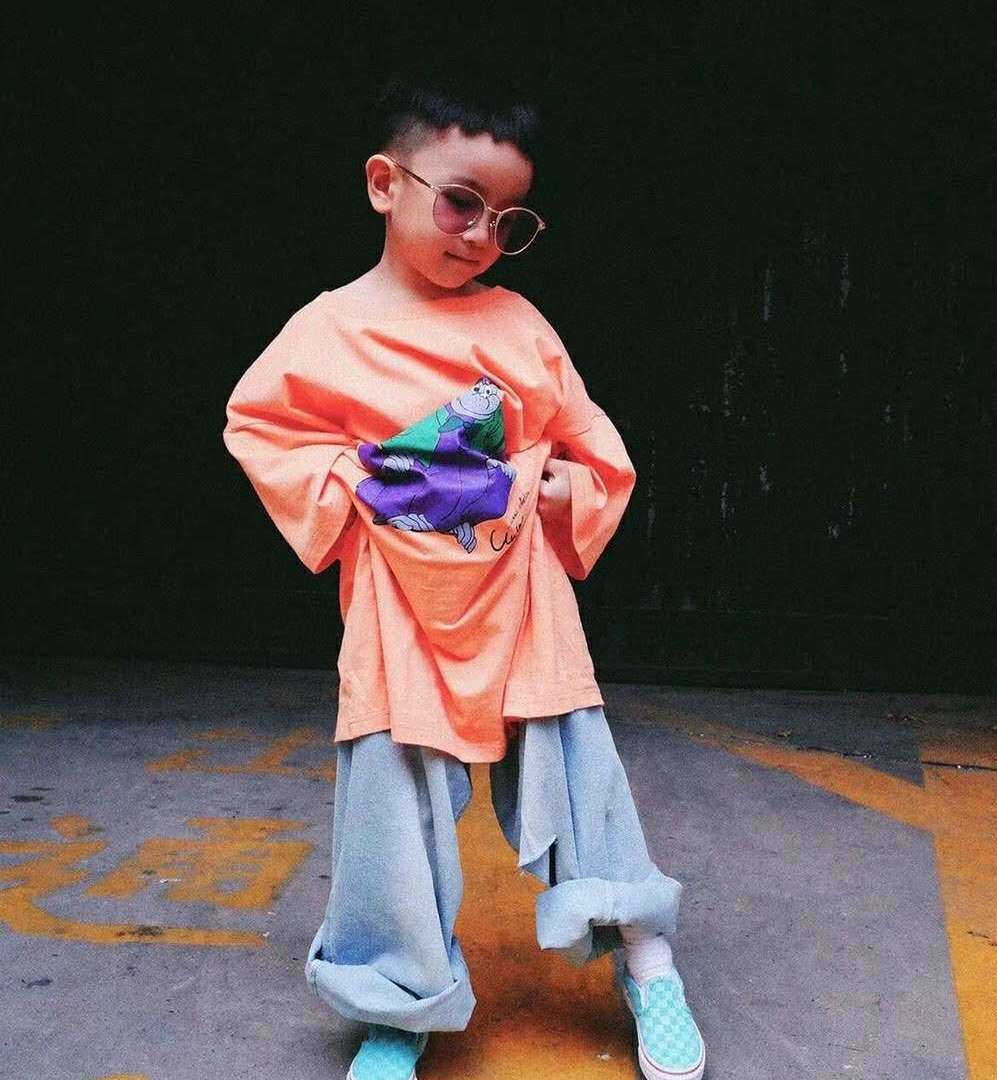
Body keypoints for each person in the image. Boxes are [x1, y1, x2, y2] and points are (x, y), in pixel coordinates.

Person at [222, 70, 706, 1080]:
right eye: (459, 202)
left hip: (521, 588)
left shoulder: (520, 325)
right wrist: (367, 482)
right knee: (390, 793)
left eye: (509, 220)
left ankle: (648, 962)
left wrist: (553, 487)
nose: (481, 234)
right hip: (399, 603)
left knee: (575, 764)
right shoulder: (325, 330)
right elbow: (260, 427)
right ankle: (396, 1005)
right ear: (383, 184)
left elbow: (597, 449)